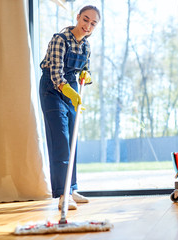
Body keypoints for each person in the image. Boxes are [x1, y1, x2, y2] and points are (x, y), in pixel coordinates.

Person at [39, 5, 100, 210]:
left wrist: (86, 75)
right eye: (85, 19)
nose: (88, 25)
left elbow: (84, 69)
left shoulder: (86, 46)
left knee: (72, 139)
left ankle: (72, 189)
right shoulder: (59, 40)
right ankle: (63, 194)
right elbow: (56, 76)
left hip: (72, 88)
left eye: (93, 23)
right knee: (61, 141)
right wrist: (70, 93)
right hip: (52, 90)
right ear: (77, 17)